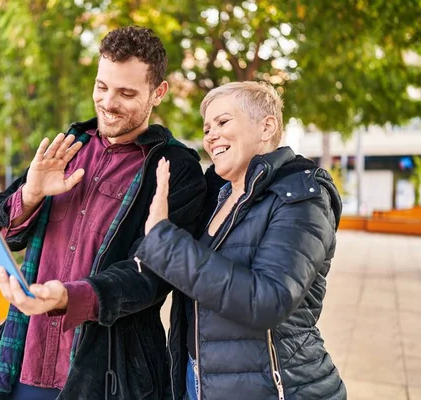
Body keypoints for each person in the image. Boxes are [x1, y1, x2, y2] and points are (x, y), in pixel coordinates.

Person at [0, 26, 207, 400]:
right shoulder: (68, 147)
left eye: (126, 93)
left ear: (159, 92)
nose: (108, 102)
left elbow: (150, 278)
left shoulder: (176, 168)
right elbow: (4, 230)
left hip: (109, 374)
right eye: (102, 87)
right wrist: (33, 192)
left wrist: (69, 297)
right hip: (28, 356)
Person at [134, 81, 347, 400]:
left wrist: (166, 244)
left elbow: (269, 299)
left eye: (223, 122)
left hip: (276, 389)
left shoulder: (301, 197)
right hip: (200, 382)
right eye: (207, 128)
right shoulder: (215, 197)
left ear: (267, 127)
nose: (211, 136)